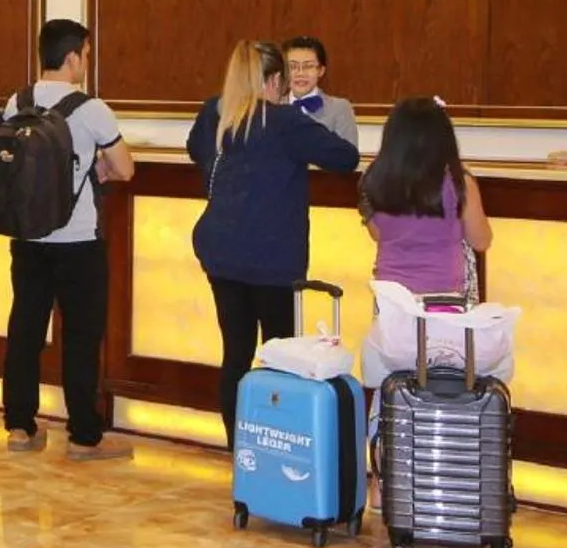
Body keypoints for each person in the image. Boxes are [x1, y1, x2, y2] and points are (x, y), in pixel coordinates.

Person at [188, 39, 361, 445]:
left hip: (220, 249)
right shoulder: (284, 121)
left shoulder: (215, 113)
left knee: (235, 353)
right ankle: (273, 450)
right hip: (272, 256)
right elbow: (345, 157)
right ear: (274, 80)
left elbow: (196, 150)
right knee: (280, 356)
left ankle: (239, 451)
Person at [0, 18, 135, 461]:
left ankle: (20, 427)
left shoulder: (16, 102)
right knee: (80, 335)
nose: (87, 62)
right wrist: (98, 165)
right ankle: (83, 436)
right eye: (87, 54)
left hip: (27, 236)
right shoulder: (91, 109)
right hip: (77, 240)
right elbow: (125, 168)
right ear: (73, 56)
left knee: (25, 328)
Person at [361, 97, 492, 299]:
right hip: (444, 294)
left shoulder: (373, 179)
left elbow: (378, 235)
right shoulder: (459, 182)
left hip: (389, 292)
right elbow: (481, 241)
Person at [282, 36, 359, 150]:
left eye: (308, 66)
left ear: (321, 70)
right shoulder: (272, 107)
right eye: (292, 66)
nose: (300, 73)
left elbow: (349, 155)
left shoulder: (339, 108)